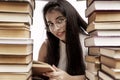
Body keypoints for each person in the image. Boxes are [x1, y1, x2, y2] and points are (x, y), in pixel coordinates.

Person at [38, 0, 88, 80]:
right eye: (50, 24)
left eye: (60, 21)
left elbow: (96, 76)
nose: (55, 29)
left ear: (71, 18)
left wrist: (69, 78)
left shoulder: (88, 43)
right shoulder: (47, 45)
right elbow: (38, 75)